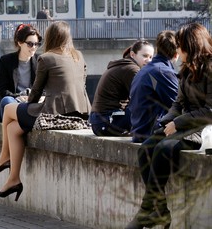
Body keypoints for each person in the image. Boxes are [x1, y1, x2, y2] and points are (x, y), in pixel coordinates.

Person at [0, 21, 91, 201]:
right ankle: (13, 179)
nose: (35, 46)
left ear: (50, 37)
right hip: (81, 116)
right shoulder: (79, 56)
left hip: (53, 115)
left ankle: (4, 157)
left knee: (7, 110)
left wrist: (26, 103)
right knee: (13, 129)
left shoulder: (46, 58)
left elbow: (35, 95)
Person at [125, 23, 211, 229]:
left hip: (204, 129)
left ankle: (147, 210)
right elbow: (178, 104)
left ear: (191, 45)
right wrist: (165, 123)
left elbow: (209, 111)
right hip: (186, 125)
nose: (177, 51)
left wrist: (178, 122)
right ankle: (160, 210)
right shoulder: (187, 69)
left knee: (164, 148)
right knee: (146, 148)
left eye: (180, 45)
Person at [90, 40, 154, 136]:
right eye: (144, 56)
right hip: (106, 122)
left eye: (151, 57)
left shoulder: (125, 65)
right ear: (133, 55)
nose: (148, 60)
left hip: (99, 122)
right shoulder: (132, 69)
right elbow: (142, 98)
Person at [128, 31, 179, 143]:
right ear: (177, 53)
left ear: (157, 50)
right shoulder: (163, 72)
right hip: (151, 133)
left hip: (140, 131)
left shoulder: (146, 70)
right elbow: (179, 104)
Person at [0, 24, 41, 130]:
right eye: (30, 44)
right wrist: (18, 97)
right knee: (6, 101)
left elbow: (45, 90)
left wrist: (31, 98)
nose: (34, 47)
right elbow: (2, 90)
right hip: (14, 101)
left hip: (31, 104)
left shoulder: (40, 61)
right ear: (20, 43)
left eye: (36, 44)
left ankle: (12, 135)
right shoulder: (6, 61)